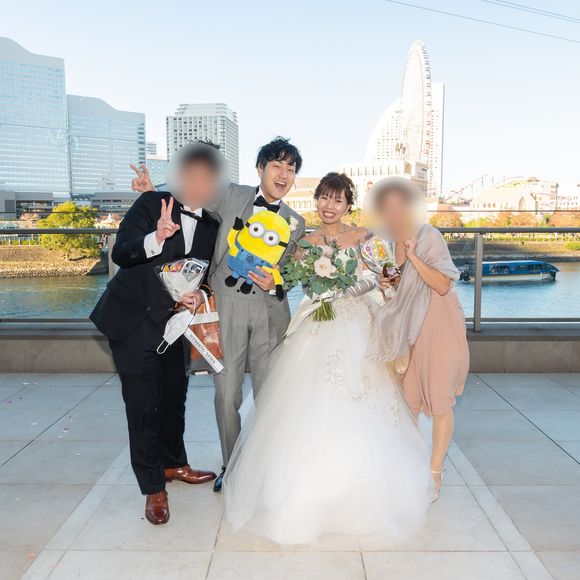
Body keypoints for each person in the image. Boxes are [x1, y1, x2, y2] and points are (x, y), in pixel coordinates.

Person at [223, 173, 433, 544]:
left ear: (348, 206)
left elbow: (385, 275)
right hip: (317, 322)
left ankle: (364, 489)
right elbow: (290, 279)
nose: (329, 206)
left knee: (362, 398)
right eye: (324, 198)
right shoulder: (303, 241)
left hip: (355, 320)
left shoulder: (365, 238)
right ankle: (300, 489)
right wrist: (284, 283)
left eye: (338, 200)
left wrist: (345, 288)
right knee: (307, 401)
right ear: (316, 201)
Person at [130, 136, 306, 493]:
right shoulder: (231, 194)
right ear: (261, 168)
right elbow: (189, 198)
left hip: (270, 314)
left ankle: (266, 466)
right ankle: (232, 464)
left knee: (269, 396)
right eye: (277, 166)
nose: (283, 175)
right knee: (227, 396)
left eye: (290, 169)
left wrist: (276, 281)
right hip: (226, 308)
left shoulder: (296, 222)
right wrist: (152, 193)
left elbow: (291, 272)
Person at [91, 142, 223, 525]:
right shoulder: (152, 204)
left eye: (207, 177)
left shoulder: (213, 225)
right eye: (191, 174)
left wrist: (199, 293)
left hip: (175, 326)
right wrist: (157, 238)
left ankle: (173, 464)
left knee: (173, 399)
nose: (198, 184)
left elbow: (207, 274)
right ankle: (153, 487)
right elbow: (121, 253)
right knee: (143, 407)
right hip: (133, 322)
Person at [369, 176, 469, 502]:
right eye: (388, 208)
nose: (395, 213)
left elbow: (441, 284)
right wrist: (388, 286)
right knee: (409, 398)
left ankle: (434, 472)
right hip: (409, 327)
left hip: (439, 323)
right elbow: (400, 293)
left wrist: (413, 257)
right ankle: (412, 465)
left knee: (439, 399)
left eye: (401, 206)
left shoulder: (428, 235)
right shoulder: (386, 245)